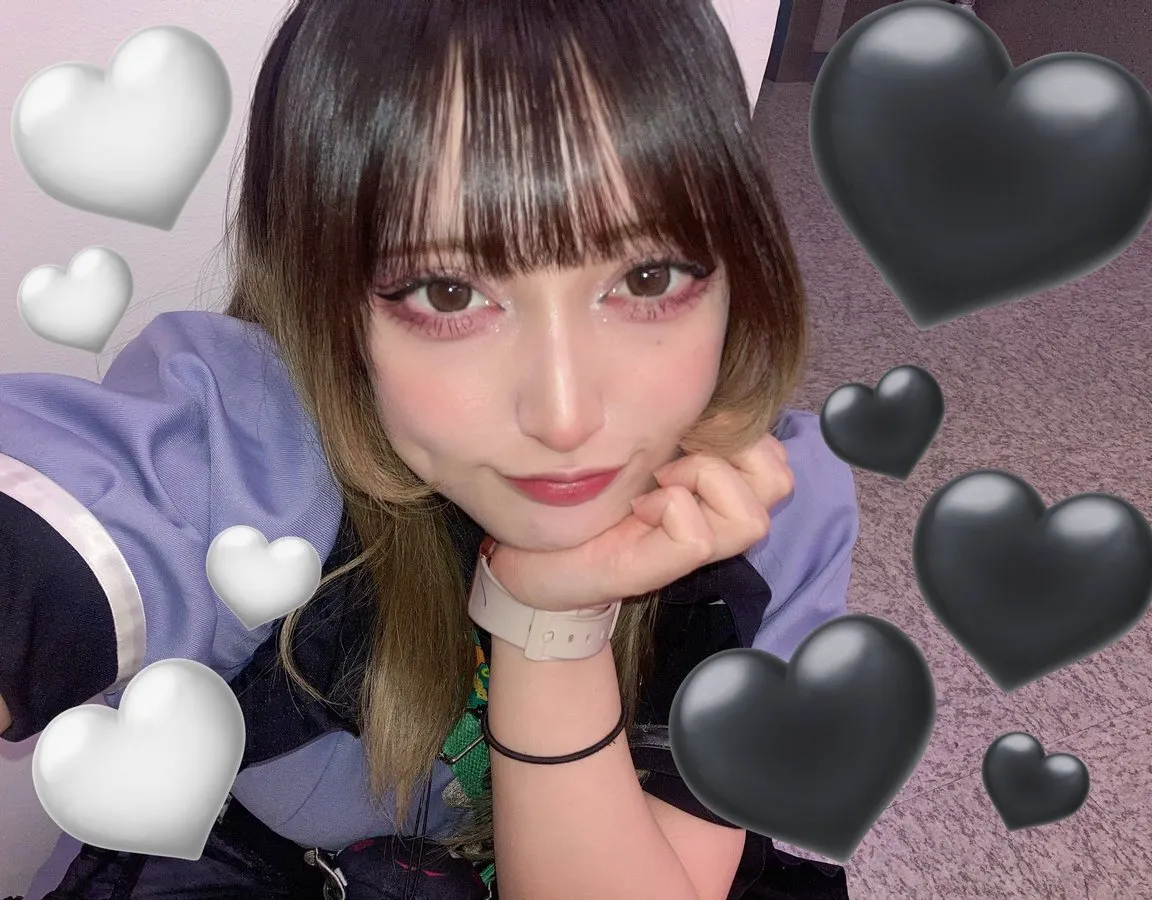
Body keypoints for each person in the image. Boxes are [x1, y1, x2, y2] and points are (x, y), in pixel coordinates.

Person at [0, 0, 859, 897]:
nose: (565, 416)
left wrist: (551, 629)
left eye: (648, 277)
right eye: (449, 294)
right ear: (327, 294)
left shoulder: (770, 512)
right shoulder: (248, 442)